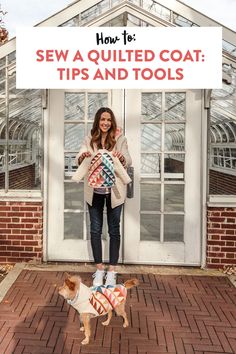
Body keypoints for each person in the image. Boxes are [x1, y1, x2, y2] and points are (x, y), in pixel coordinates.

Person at [76, 107, 132, 287]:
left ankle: (112, 271)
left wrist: (121, 157)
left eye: (108, 120)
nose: (105, 123)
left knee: (114, 229)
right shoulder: (89, 140)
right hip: (94, 192)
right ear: (97, 122)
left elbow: (128, 160)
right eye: (102, 120)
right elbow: (79, 156)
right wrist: (83, 156)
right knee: (95, 229)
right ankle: (99, 269)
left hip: (114, 192)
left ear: (112, 122)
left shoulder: (120, 139)